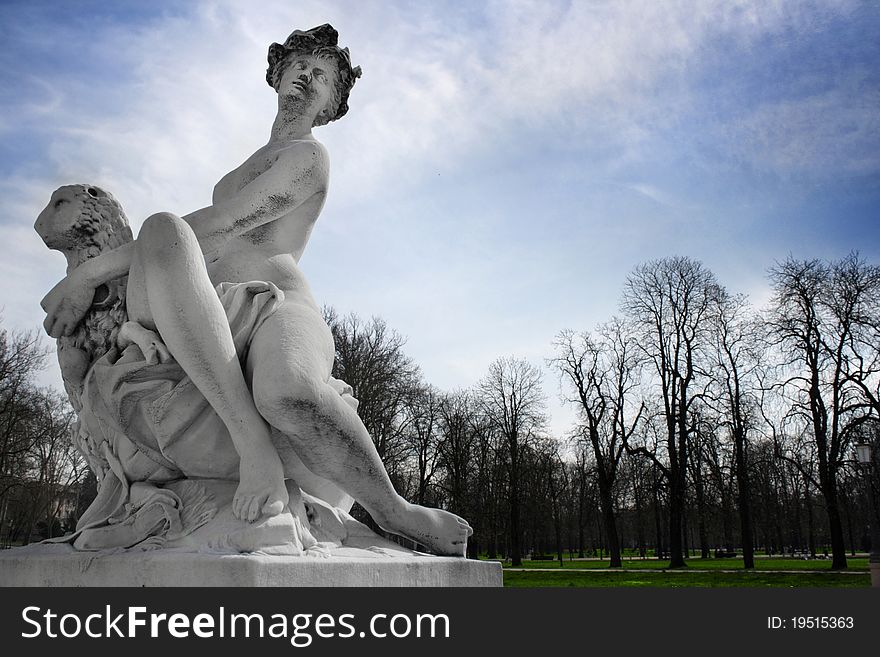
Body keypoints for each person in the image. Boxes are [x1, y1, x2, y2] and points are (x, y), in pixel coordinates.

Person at [40, 25, 471, 556]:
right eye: (299, 68)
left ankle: (395, 510)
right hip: (204, 308)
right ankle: (252, 448)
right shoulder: (248, 162)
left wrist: (86, 276)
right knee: (161, 231)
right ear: (277, 76)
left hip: (274, 306)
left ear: (331, 104)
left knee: (286, 392)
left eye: (322, 77)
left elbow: (220, 224)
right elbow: (181, 245)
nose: (307, 78)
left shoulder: (309, 157)